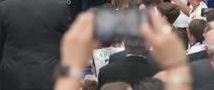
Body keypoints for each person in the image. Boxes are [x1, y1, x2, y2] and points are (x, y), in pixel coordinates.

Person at [53, 11, 192, 90]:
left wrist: (72, 66)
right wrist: (177, 65)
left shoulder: (107, 70)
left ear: (126, 45)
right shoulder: (157, 70)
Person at [0, 0, 71, 90]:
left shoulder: (6, 6)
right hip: (48, 75)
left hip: (13, 76)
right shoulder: (60, 7)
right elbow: (70, 43)